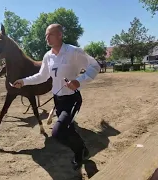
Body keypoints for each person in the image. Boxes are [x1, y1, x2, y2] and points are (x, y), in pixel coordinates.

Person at [12, 24, 101, 170]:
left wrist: (79, 81)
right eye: (46, 35)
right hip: (57, 100)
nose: (47, 37)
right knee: (69, 129)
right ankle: (83, 149)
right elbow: (42, 76)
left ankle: (80, 152)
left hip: (72, 99)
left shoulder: (74, 51)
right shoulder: (48, 56)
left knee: (58, 132)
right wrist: (24, 81)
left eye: (50, 34)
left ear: (60, 35)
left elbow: (95, 66)